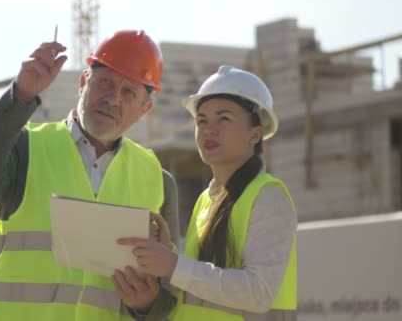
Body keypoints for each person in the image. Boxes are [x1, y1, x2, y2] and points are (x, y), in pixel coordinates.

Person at [0, 29, 180, 321]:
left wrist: (148, 304)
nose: (113, 99)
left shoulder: (158, 181)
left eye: (129, 92)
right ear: (84, 81)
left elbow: (170, 297)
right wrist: (20, 94)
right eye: (105, 83)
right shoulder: (27, 148)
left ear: (144, 109)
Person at [119, 65, 297, 320]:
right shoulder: (207, 199)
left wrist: (172, 264)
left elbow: (259, 293)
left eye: (223, 118)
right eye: (202, 120)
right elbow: (198, 293)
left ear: (255, 134)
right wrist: (167, 257)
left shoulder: (268, 196)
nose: (208, 129)